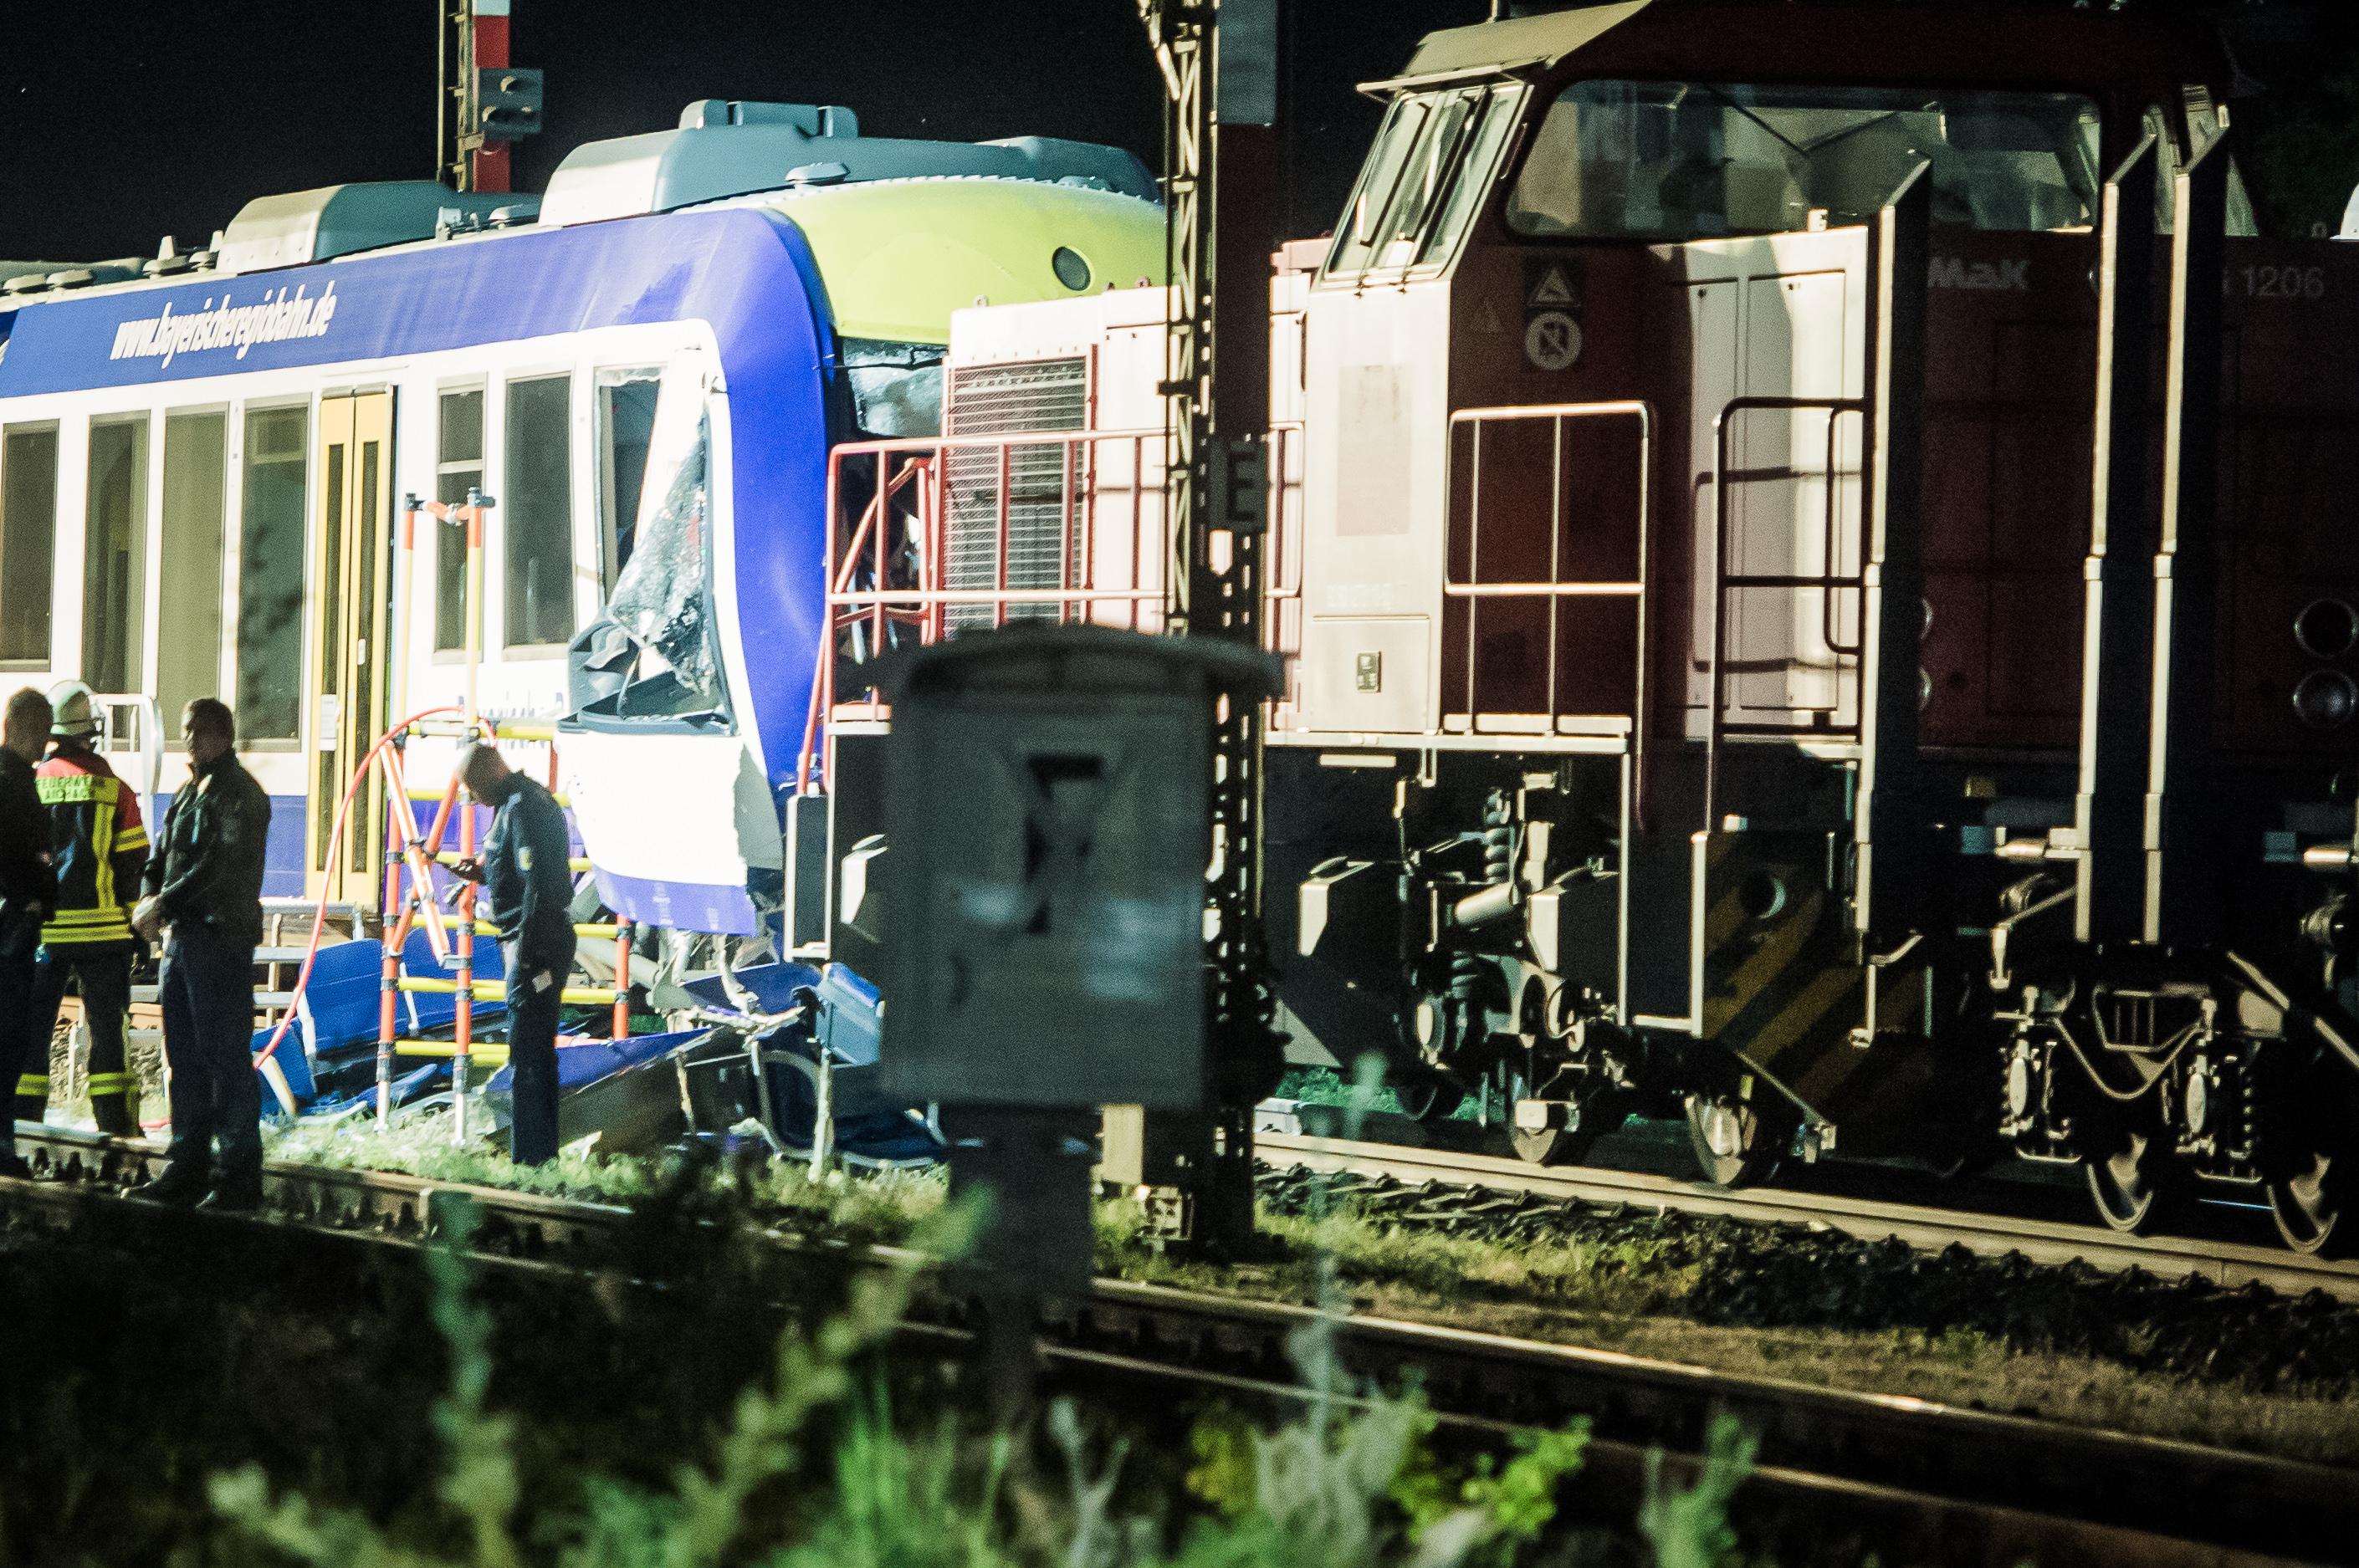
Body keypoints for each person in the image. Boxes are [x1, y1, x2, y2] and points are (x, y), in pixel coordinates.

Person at [130, 698, 270, 1210]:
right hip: (184, 942)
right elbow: (161, 855)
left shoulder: (241, 796)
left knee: (224, 1057)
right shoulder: (188, 793)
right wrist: (149, 896)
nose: (190, 740)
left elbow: (221, 866)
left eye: (201, 732)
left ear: (224, 736)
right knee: (183, 1057)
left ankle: (238, 1174)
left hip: (221, 942)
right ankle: (187, 1164)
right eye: (188, 731)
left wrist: (162, 902)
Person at [24, 682, 149, 1135]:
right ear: (90, 731)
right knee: (108, 1035)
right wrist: (136, 926)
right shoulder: (115, 788)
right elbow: (131, 862)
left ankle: (23, 1122)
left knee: (32, 1031)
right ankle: (115, 1126)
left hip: (46, 934)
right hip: (104, 933)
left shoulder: (34, 782)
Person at [452, 743, 576, 1166]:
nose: (471, 797)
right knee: (532, 1050)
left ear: (488, 774)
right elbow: (525, 873)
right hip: (534, 941)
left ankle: (532, 1158)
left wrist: (527, 957)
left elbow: (539, 886)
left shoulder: (522, 807)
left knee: (528, 1051)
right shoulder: (518, 802)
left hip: (534, 945)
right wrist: (485, 874)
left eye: (472, 787)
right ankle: (538, 1154)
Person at [0, 688, 56, 1179]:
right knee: (9, 1033)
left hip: (13, 926)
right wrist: (32, 899)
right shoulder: (11, 783)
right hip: (10, 930)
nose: (44, 742)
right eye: (40, 730)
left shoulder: (20, 780)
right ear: (16, 727)